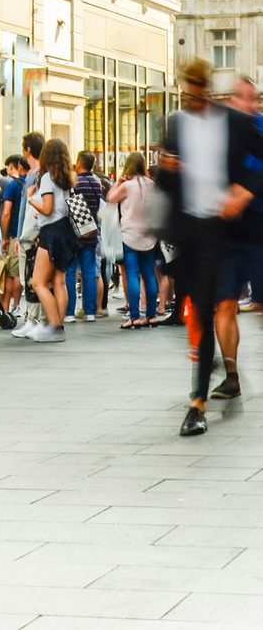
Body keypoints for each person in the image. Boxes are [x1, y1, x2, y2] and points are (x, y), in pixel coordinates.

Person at [156, 59, 263, 437]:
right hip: (190, 233)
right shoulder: (176, 124)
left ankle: (200, 401)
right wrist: (167, 169)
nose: (192, 97)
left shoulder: (233, 123)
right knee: (200, 313)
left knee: (215, 308)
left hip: (222, 231)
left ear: (207, 89)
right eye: (187, 91)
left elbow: (260, 159)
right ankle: (211, 385)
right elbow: (164, 182)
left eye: (198, 90)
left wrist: (243, 191)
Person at [210, 75, 263, 399]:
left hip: (259, 229)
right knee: (226, 303)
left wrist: (245, 192)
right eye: (243, 97)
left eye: (253, 98)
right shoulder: (222, 132)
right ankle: (231, 376)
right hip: (229, 231)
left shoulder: (260, 128)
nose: (249, 104)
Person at [26, 138, 79, 343]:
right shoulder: (67, 178)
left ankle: (54, 325)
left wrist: (31, 199)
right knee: (59, 281)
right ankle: (59, 326)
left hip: (51, 233)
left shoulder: (48, 178)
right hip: (66, 231)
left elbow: (47, 209)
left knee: (38, 282)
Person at [106, 152, 157, 329]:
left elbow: (110, 199)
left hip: (129, 235)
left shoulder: (127, 186)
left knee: (133, 274)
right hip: (149, 235)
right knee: (149, 275)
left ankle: (134, 316)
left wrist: (117, 183)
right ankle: (151, 315)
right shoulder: (152, 185)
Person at [12, 133, 45, 338]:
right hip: (32, 232)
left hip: (31, 232)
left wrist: (20, 235)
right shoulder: (40, 173)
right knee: (33, 277)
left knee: (30, 277)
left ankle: (33, 319)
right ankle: (35, 319)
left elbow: (27, 208)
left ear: (28, 149)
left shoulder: (36, 174)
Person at [64, 151, 103, 324]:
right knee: (89, 273)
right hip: (91, 233)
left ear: (79, 163)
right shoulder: (97, 182)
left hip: (74, 234)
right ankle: (90, 311)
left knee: (70, 272)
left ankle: (69, 312)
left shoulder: (74, 182)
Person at [0, 154, 26, 318]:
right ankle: (15, 306)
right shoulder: (31, 183)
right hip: (30, 234)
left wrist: (4, 237)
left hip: (15, 234)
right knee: (21, 272)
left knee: (11, 273)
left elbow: (6, 213)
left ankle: (11, 307)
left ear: (13, 166)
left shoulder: (13, 186)